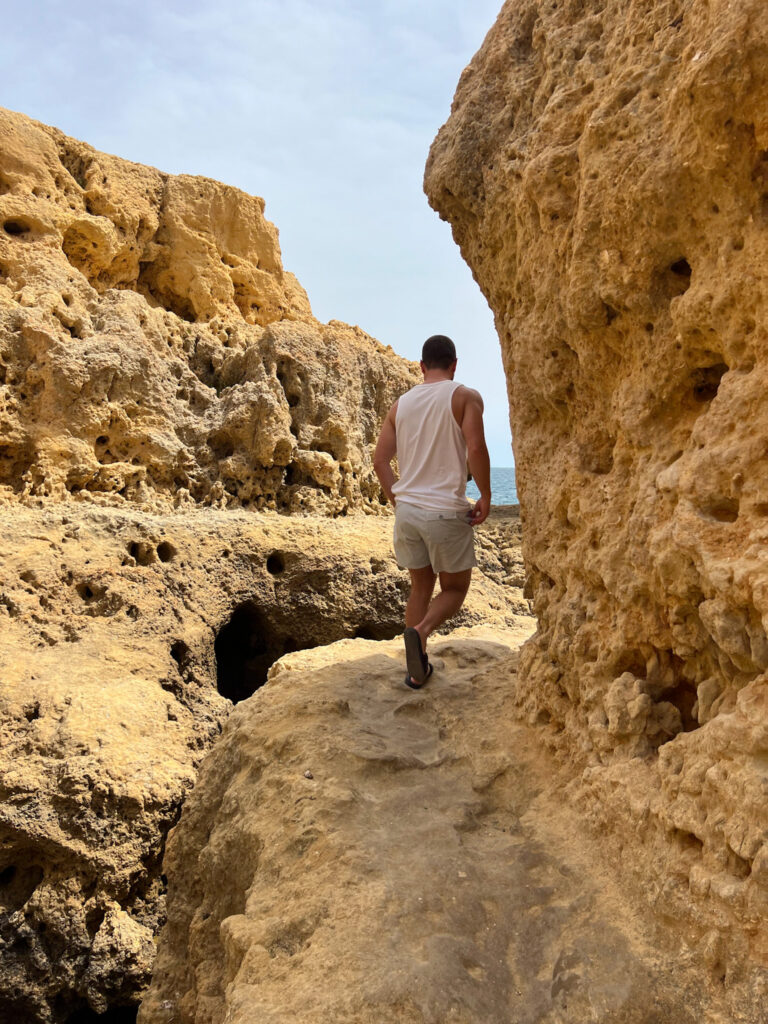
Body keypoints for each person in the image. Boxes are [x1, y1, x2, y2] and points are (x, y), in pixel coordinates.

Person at [373, 334, 491, 689]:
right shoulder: (464, 397)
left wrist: (399, 501)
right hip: (444, 511)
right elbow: (475, 446)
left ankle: (415, 669)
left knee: (420, 588)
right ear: (454, 365)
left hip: (407, 512)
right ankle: (422, 631)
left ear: (422, 366)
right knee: (455, 589)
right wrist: (484, 494)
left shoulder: (400, 405)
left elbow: (380, 461)